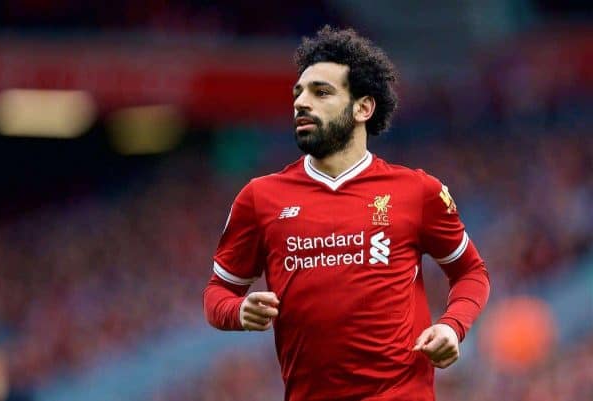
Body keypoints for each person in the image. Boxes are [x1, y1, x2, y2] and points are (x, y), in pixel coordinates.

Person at [203, 25, 490, 401]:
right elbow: (217, 293)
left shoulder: (417, 191)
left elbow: (471, 272)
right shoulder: (259, 198)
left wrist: (453, 327)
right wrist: (238, 312)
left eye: (321, 92)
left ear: (363, 107)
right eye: (298, 92)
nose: (301, 102)